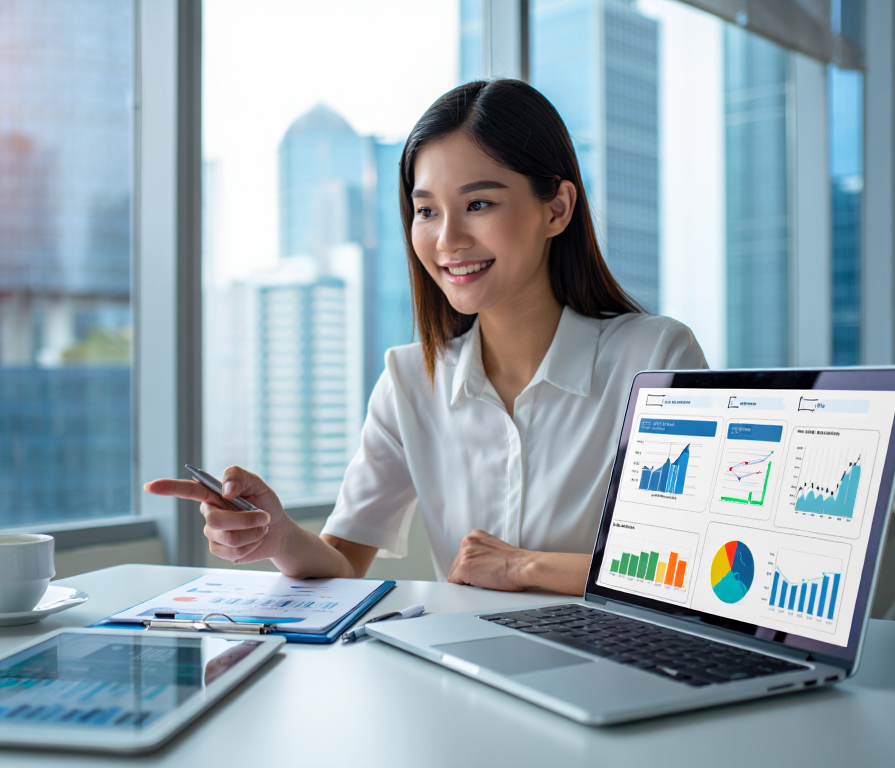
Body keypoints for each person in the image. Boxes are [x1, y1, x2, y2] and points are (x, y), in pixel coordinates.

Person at [145, 79, 707, 595]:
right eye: (426, 211)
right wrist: (277, 535)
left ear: (556, 208)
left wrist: (522, 566)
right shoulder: (410, 380)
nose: (447, 239)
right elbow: (343, 561)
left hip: (620, 668)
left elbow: (691, 566)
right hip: (470, 673)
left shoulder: (657, 357)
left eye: (478, 204)